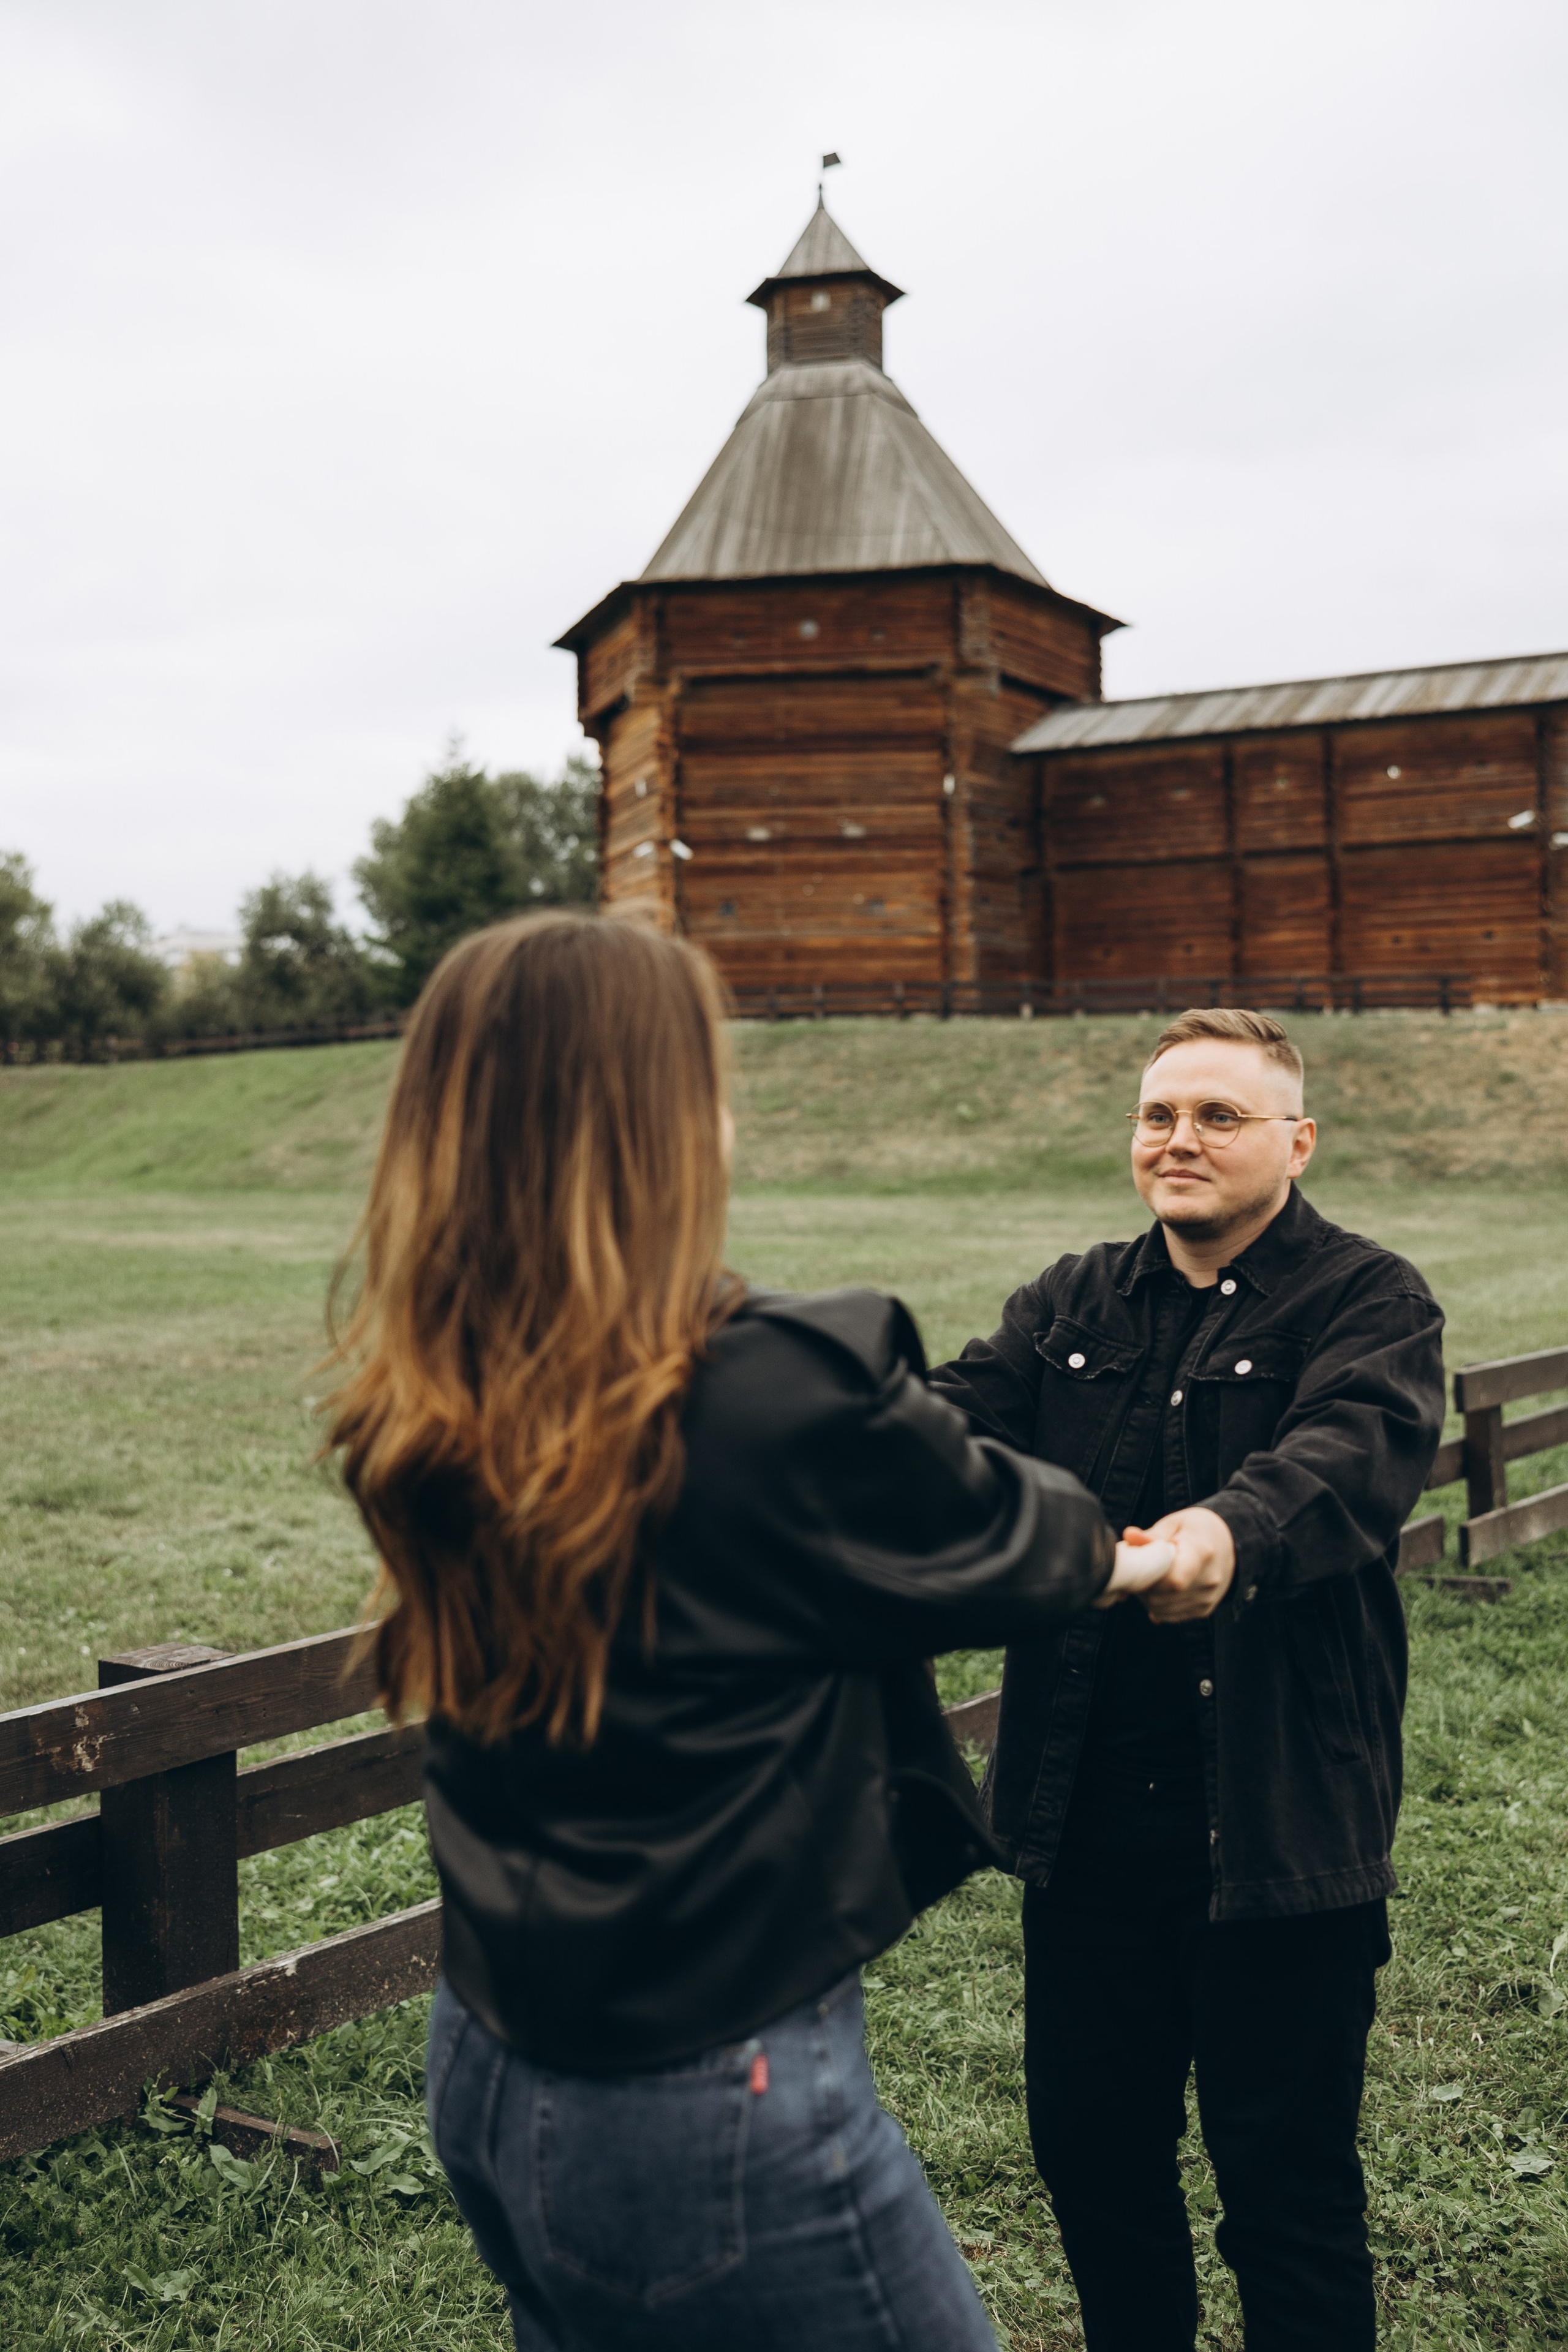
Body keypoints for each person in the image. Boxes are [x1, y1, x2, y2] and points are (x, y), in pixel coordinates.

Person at [322, 910, 1168, 2352]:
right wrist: (1134, 1548)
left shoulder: (433, 1388)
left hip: (490, 2054)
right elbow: (1029, 1544)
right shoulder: (772, 1392)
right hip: (712, 2100)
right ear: (659, 1122)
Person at [929, 1006, 1446, 2352]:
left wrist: (1221, 1534)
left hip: (1274, 1825)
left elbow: (1344, 1455)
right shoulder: (1070, 1303)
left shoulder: (1369, 1301)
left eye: (1217, 1116)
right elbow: (943, 1430)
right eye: (1159, 1115)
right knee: (1096, 2171)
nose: (1179, 1140)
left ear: (1295, 1139)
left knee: (1285, 2198)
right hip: (1084, 1824)